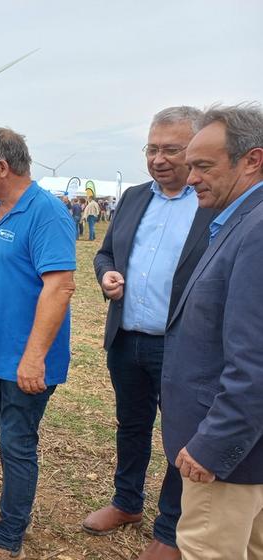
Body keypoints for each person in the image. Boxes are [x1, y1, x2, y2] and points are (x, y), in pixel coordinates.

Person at [87, 106, 215, 560]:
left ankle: (171, 528)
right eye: (152, 148)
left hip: (182, 346)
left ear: (195, 150)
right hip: (127, 339)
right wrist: (107, 277)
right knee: (132, 426)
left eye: (171, 150)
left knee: (181, 437)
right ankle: (126, 503)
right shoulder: (135, 197)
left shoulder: (209, 203)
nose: (159, 159)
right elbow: (104, 254)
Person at [0, 128, 76, 560]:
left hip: (25, 359)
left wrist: (34, 358)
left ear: (2, 167)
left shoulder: (47, 213)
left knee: (18, 442)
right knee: (8, 437)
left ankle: (9, 539)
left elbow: (60, 287)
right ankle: (11, 512)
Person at [161, 104, 263, 559]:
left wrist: (213, 444)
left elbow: (254, 360)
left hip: (226, 457)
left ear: (252, 160)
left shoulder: (255, 231)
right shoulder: (238, 221)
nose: (191, 177)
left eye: (203, 165)